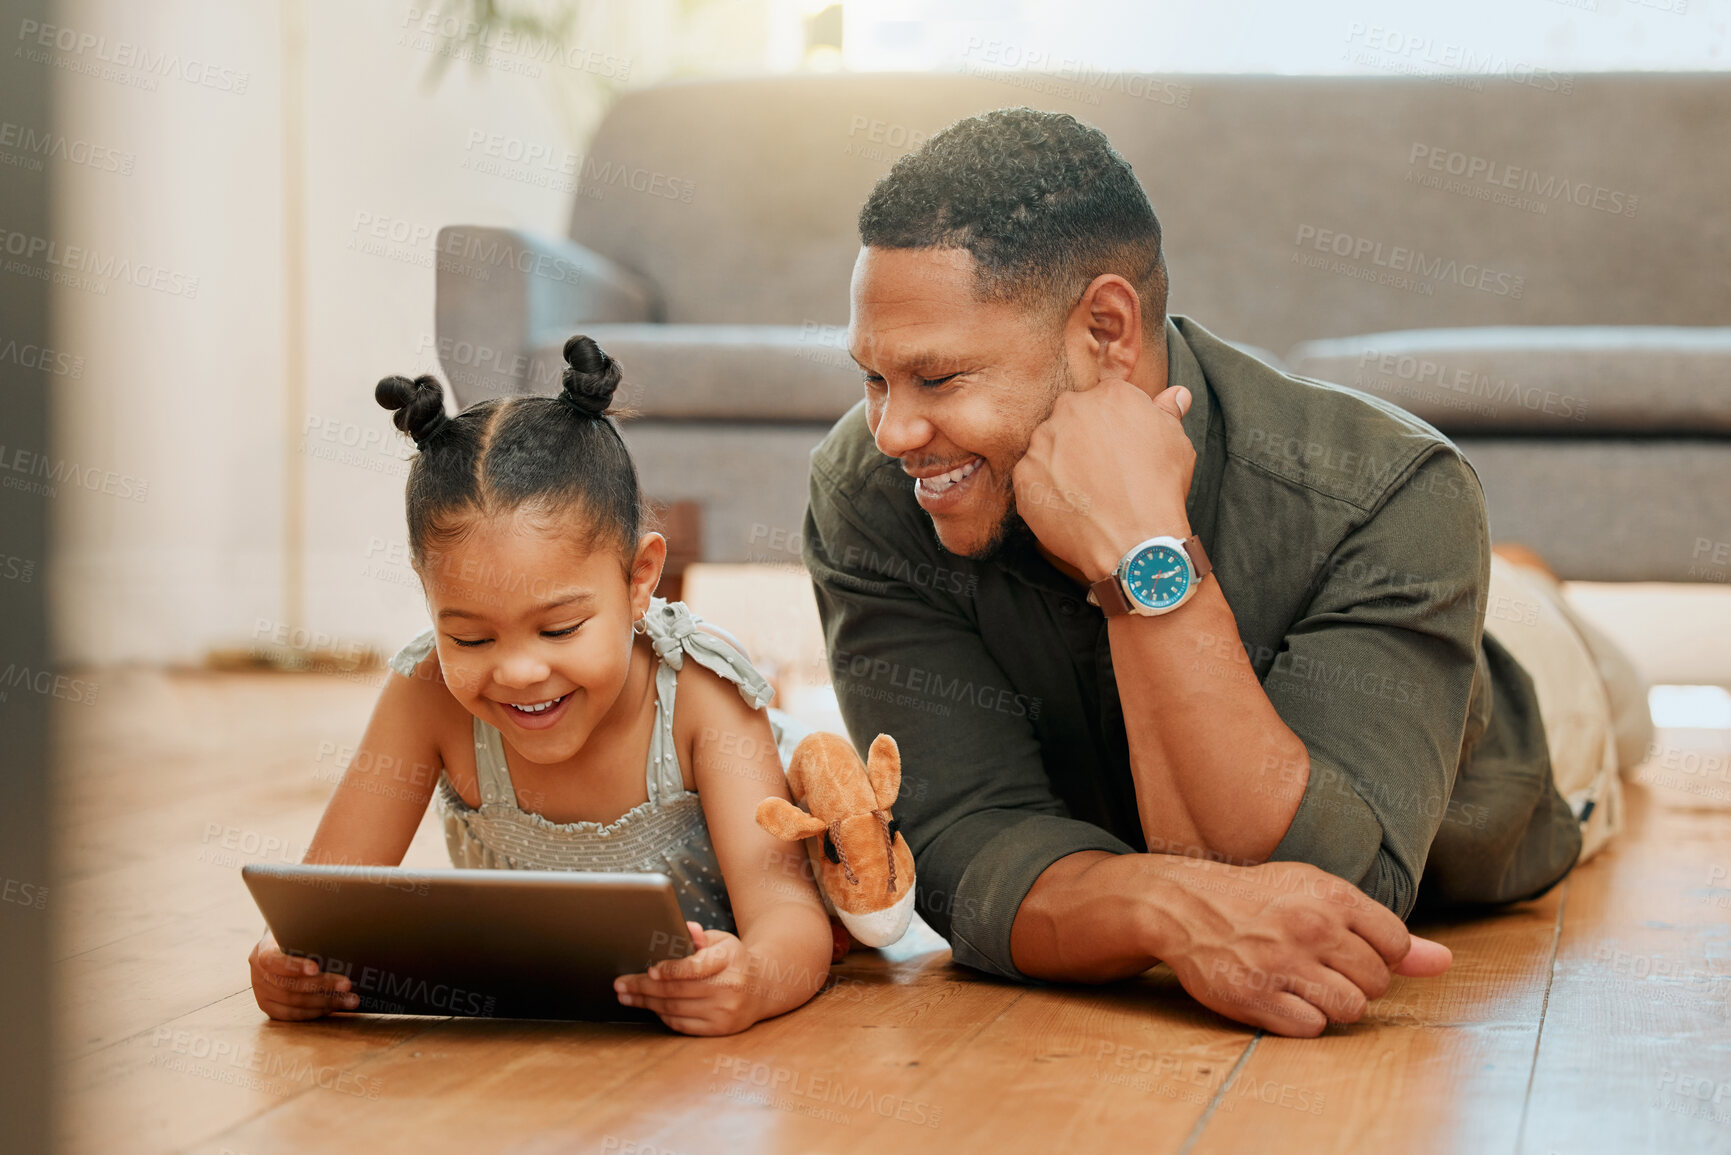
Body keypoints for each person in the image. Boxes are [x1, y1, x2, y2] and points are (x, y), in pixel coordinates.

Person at [802, 108, 1648, 1037]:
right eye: (873, 379)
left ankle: (1528, 587)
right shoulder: (870, 488)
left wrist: (1139, 550)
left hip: (1528, 734)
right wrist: (1166, 907)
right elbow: (966, 852)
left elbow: (1325, 889)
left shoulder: (1396, 493)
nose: (893, 433)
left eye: (939, 378)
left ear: (1106, 330)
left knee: (1586, 670)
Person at [247, 336, 834, 1036]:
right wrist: (287, 962)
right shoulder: (426, 693)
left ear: (639, 577)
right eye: (469, 636)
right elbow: (322, 905)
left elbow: (788, 915)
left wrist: (756, 978)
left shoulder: (702, 695)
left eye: (558, 629)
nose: (519, 672)